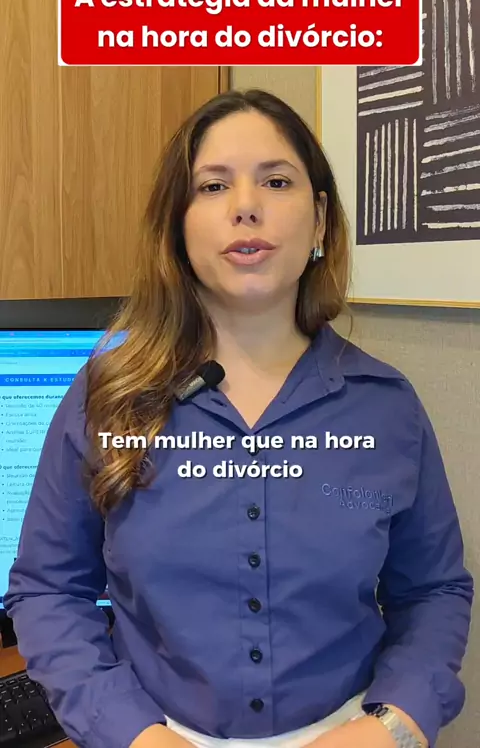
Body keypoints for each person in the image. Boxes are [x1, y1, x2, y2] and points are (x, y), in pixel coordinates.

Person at [4, 89, 474, 748]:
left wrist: (394, 725)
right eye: (213, 185)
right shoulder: (105, 396)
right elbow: (49, 589)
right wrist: (130, 732)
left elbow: (433, 590)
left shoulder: (387, 406)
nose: (245, 206)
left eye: (276, 181)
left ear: (319, 221)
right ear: (178, 224)